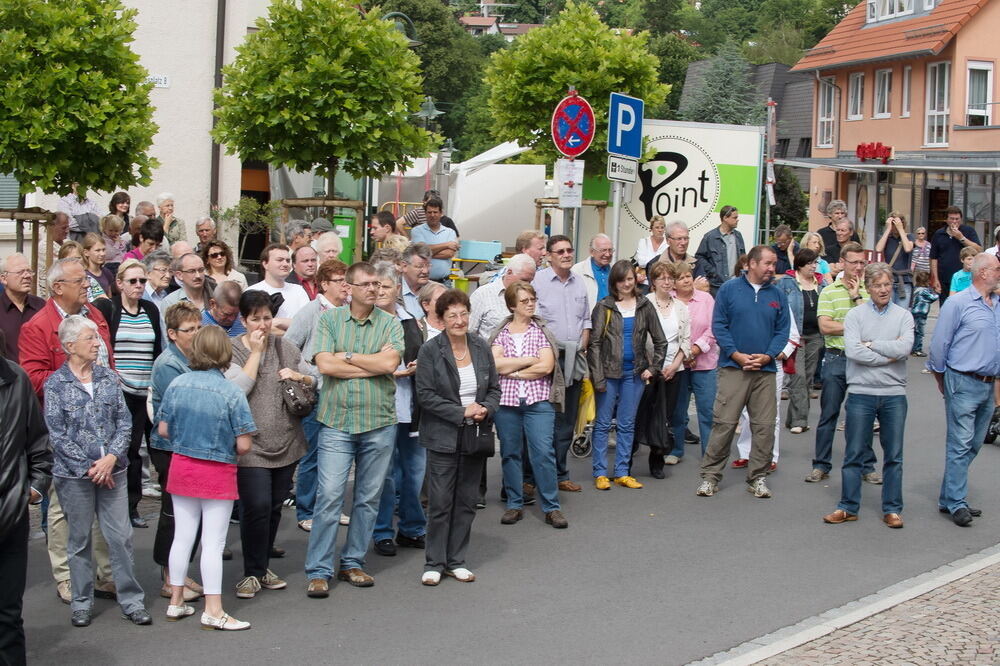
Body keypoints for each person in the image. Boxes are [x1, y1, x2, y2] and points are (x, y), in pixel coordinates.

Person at [18, 258, 117, 604]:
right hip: (66, 428)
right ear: (58, 287)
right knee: (63, 507)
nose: (87, 287)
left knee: (105, 500)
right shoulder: (38, 325)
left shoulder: (95, 315)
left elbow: (108, 361)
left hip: (104, 424)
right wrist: (78, 382)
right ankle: (66, 576)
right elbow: (30, 377)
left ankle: (105, 574)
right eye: (80, 281)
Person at [44, 315, 152, 627]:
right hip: (74, 476)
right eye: (90, 338)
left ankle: (131, 600)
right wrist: (91, 467)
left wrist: (112, 458)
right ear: (70, 346)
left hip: (113, 472)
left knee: (120, 538)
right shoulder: (55, 384)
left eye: (96, 337)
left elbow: (124, 422)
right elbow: (57, 434)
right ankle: (81, 601)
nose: (97, 343)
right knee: (78, 540)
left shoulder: (108, 378)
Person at [304, 262, 403, 598]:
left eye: (377, 284)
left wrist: (346, 357)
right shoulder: (329, 320)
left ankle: (352, 562)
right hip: (337, 422)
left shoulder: (391, 322)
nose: (374, 289)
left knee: (367, 498)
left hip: (378, 421)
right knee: (330, 496)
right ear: (349, 288)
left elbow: (390, 364)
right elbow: (324, 364)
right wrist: (367, 362)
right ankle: (318, 570)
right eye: (367, 284)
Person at [157, 326, 255, 630]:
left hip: (182, 466)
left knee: (182, 537)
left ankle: (176, 601)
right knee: (212, 542)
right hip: (216, 471)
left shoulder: (178, 383)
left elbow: (163, 430)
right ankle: (214, 609)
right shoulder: (230, 391)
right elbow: (244, 444)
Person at [229, 290, 310, 599]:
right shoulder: (233, 349)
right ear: (243, 320)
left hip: (286, 439)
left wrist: (303, 380)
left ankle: (262, 568)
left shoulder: (286, 347)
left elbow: (311, 377)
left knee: (275, 506)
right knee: (256, 506)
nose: (262, 325)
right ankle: (251, 572)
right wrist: (255, 353)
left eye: (266, 318)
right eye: (255, 319)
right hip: (251, 444)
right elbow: (235, 391)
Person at [416, 289, 500, 585]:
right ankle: (434, 562)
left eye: (463, 313)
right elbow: (425, 395)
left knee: (466, 500)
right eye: (452, 315)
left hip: (475, 434)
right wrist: (462, 411)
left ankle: (456, 560)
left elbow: (494, 389)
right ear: (441, 319)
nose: (459, 320)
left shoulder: (480, 346)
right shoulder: (430, 350)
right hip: (442, 435)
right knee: (439, 502)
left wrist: (485, 408)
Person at [823, 263, 913, 529]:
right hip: (861, 393)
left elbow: (905, 347)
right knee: (853, 453)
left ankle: (892, 509)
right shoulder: (855, 316)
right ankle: (848, 506)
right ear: (868, 288)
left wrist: (872, 345)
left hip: (894, 394)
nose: (883, 290)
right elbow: (853, 351)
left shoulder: (903, 316)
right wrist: (889, 354)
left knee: (894, 455)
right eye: (877, 285)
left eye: (887, 285)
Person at [695, 246, 789, 500]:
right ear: (751, 264)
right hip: (733, 368)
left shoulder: (777, 295)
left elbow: (783, 330)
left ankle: (757, 477)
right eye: (768, 263)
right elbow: (719, 325)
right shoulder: (728, 289)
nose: (772, 268)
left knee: (764, 427)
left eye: (774, 264)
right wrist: (735, 354)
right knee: (724, 424)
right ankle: (710, 477)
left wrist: (768, 356)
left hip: (765, 370)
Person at [929, 253, 1000, 527]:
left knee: (974, 442)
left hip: (987, 384)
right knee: (959, 443)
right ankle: (957, 502)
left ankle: (949, 497)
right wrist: (941, 379)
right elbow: (939, 345)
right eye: (997, 268)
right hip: (962, 379)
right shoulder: (958, 303)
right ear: (983, 273)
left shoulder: (996, 305)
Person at [490, 281, 568, 528]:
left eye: (532, 299)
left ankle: (551, 507)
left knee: (543, 453)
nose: (530, 303)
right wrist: (527, 361)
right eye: (524, 301)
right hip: (507, 402)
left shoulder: (541, 331)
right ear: (512, 305)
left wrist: (512, 369)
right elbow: (495, 365)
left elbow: (546, 366)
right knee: (510, 453)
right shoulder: (500, 332)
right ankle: (515, 504)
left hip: (538, 401)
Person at [93, 260, 164, 529]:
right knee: (130, 449)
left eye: (142, 281)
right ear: (119, 283)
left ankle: (168, 499)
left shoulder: (150, 309)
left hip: (147, 389)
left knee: (157, 445)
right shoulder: (110, 308)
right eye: (133, 281)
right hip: (122, 390)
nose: (138, 286)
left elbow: (157, 347)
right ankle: (130, 506)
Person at [588, 260, 667, 490]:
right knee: (602, 424)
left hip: (635, 375)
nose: (626, 284)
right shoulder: (604, 306)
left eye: (630, 279)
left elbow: (660, 341)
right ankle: (600, 472)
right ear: (614, 282)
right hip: (608, 373)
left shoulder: (645, 305)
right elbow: (594, 344)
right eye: (621, 280)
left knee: (627, 424)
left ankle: (622, 471)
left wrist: (652, 368)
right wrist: (598, 376)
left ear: (636, 279)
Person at [806, 242, 880, 485]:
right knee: (829, 413)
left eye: (862, 262)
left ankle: (866, 466)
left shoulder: (871, 291)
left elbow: (875, 328)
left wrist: (857, 297)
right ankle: (821, 465)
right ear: (843, 263)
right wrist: (856, 327)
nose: (858, 267)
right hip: (836, 357)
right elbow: (825, 326)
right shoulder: (828, 291)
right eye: (854, 262)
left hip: (864, 360)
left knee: (864, 415)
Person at [285, 259, 349, 533]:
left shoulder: (348, 311)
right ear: (324, 284)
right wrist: (308, 372)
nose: (346, 285)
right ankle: (307, 509)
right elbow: (289, 346)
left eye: (347, 280)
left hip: (342, 391)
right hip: (315, 393)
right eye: (340, 280)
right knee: (312, 454)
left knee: (338, 454)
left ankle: (331, 508)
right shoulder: (311, 311)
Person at [371, 264, 428, 555]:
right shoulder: (366, 321)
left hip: (412, 406)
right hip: (382, 406)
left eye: (386, 286)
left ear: (397, 289)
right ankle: (382, 531)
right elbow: (362, 363)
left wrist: (419, 366)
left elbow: (423, 355)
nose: (381, 292)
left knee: (415, 471)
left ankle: (412, 527)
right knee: (385, 473)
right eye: (376, 286)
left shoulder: (411, 319)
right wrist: (393, 371)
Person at [0, 346, 51, 664]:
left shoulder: (14, 377)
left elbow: (37, 441)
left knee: (7, 616)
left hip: (10, 514)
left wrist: (33, 489)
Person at [531, 234, 590, 493]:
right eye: (561, 251)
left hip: (574, 360)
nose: (566, 255)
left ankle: (561, 473)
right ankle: (532, 477)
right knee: (544, 420)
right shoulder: (539, 282)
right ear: (550, 256)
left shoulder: (579, 283)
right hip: (548, 361)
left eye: (569, 250)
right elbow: (532, 321)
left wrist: (583, 345)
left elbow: (586, 320)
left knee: (567, 421)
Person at [643, 262, 691, 471]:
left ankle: (657, 459)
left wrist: (675, 365)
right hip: (648, 368)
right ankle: (630, 453)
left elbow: (686, 341)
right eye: (661, 277)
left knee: (666, 416)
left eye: (670, 278)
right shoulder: (644, 304)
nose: (667, 281)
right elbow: (639, 338)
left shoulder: (681, 307)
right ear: (653, 281)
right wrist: (652, 366)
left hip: (674, 369)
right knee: (644, 413)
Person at [669, 261, 718, 457]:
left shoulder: (706, 299)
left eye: (688, 275)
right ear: (673, 283)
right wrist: (684, 354)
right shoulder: (670, 301)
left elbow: (714, 328)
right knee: (677, 411)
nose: (686, 280)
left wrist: (695, 350)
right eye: (680, 278)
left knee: (707, 411)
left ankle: (709, 454)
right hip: (678, 364)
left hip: (705, 363)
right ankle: (675, 450)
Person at [777, 249, 825, 434]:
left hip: (815, 336)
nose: (814, 266)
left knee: (808, 379)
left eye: (815, 263)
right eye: (810, 263)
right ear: (800, 265)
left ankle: (792, 418)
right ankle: (800, 420)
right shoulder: (787, 282)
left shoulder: (821, 283)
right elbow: (779, 308)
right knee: (798, 377)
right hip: (795, 337)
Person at [469, 253, 536, 338]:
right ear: (509, 272)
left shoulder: (531, 297)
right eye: (524, 280)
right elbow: (469, 332)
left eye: (530, 281)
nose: (527, 285)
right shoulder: (482, 295)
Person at [246, 244, 310, 330]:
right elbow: (252, 327)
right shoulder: (252, 291)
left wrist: (278, 322)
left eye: (287, 260)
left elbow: (308, 323)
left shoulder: (298, 291)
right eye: (279, 260)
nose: (285, 264)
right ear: (265, 264)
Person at [929, 206, 982, 307]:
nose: (954, 221)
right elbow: (934, 258)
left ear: (961, 219)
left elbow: (979, 249)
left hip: (965, 279)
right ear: (946, 220)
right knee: (946, 308)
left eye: (957, 219)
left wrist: (961, 237)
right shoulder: (939, 234)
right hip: (944, 279)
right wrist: (935, 279)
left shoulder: (968, 231)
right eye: (952, 219)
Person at [0, 253, 45, 362]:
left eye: (29, 271)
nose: (27, 276)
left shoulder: (41, 306)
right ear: (3, 278)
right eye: (20, 272)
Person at [646, 222, 710, 292]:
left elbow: (703, 287)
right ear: (668, 241)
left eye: (686, 238)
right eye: (679, 239)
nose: (683, 243)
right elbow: (655, 292)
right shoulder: (655, 264)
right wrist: (692, 288)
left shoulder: (695, 263)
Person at [696, 206, 746, 295]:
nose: (737, 220)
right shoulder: (710, 237)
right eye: (734, 217)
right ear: (725, 218)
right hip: (717, 286)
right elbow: (699, 257)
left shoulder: (738, 236)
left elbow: (743, 258)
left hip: (736, 284)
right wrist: (713, 272)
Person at [409, 197, 458, 282]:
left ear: (441, 213)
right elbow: (421, 251)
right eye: (429, 212)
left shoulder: (450, 232)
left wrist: (424, 254)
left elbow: (449, 254)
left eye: (435, 212)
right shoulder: (417, 231)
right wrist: (446, 244)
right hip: (422, 282)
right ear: (425, 213)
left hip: (444, 282)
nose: (432, 215)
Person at [160, 253, 214, 325]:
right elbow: (167, 334)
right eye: (192, 271)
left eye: (201, 270)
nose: (198, 276)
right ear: (179, 275)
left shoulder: (215, 297)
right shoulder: (170, 302)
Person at [874, 212, 915, 307]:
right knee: (887, 311)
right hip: (890, 281)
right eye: (893, 224)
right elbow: (878, 248)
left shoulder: (909, 237)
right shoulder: (887, 238)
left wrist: (901, 229)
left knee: (902, 313)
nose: (894, 227)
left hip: (904, 282)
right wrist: (888, 229)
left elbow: (908, 248)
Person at [572, 234, 614, 306]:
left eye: (610, 250)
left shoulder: (614, 270)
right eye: (603, 250)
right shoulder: (577, 271)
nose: (607, 254)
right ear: (591, 252)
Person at [910, 271, 937, 357]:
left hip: (914, 312)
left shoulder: (915, 289)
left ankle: (912, 348)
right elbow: (933, 298)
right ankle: (917, 349)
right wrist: (937, 292)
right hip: (921, 313)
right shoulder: (924, 291)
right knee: (920, 332)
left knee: (914, 331)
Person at [400, 243, 431, 318]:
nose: (425, 271)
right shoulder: (392, 290)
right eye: (419, 266)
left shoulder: (435, 291)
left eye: (428, 265)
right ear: (404, 266)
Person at [81, 233, 116, 299]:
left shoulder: (106, 272)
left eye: (103, 250)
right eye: (97, 250)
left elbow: (109, 296)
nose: (102, 254)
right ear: (86, 252)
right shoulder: (83, 274)